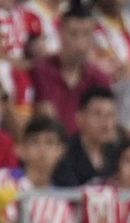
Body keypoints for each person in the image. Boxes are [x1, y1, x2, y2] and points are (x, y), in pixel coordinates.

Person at [0, 116, 77, 223]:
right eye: (35, 142)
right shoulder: (1, 179)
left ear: (61, 151)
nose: (42, 149)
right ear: (20, 149)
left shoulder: (61, 206)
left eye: (50, 143)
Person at [31, 6, 113, 134]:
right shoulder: (42, 70)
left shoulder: (99, 78)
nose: (79, 44)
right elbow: (46, 119)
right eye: (73, 34)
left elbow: (106, 126)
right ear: (60, 33)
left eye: (86, 35)